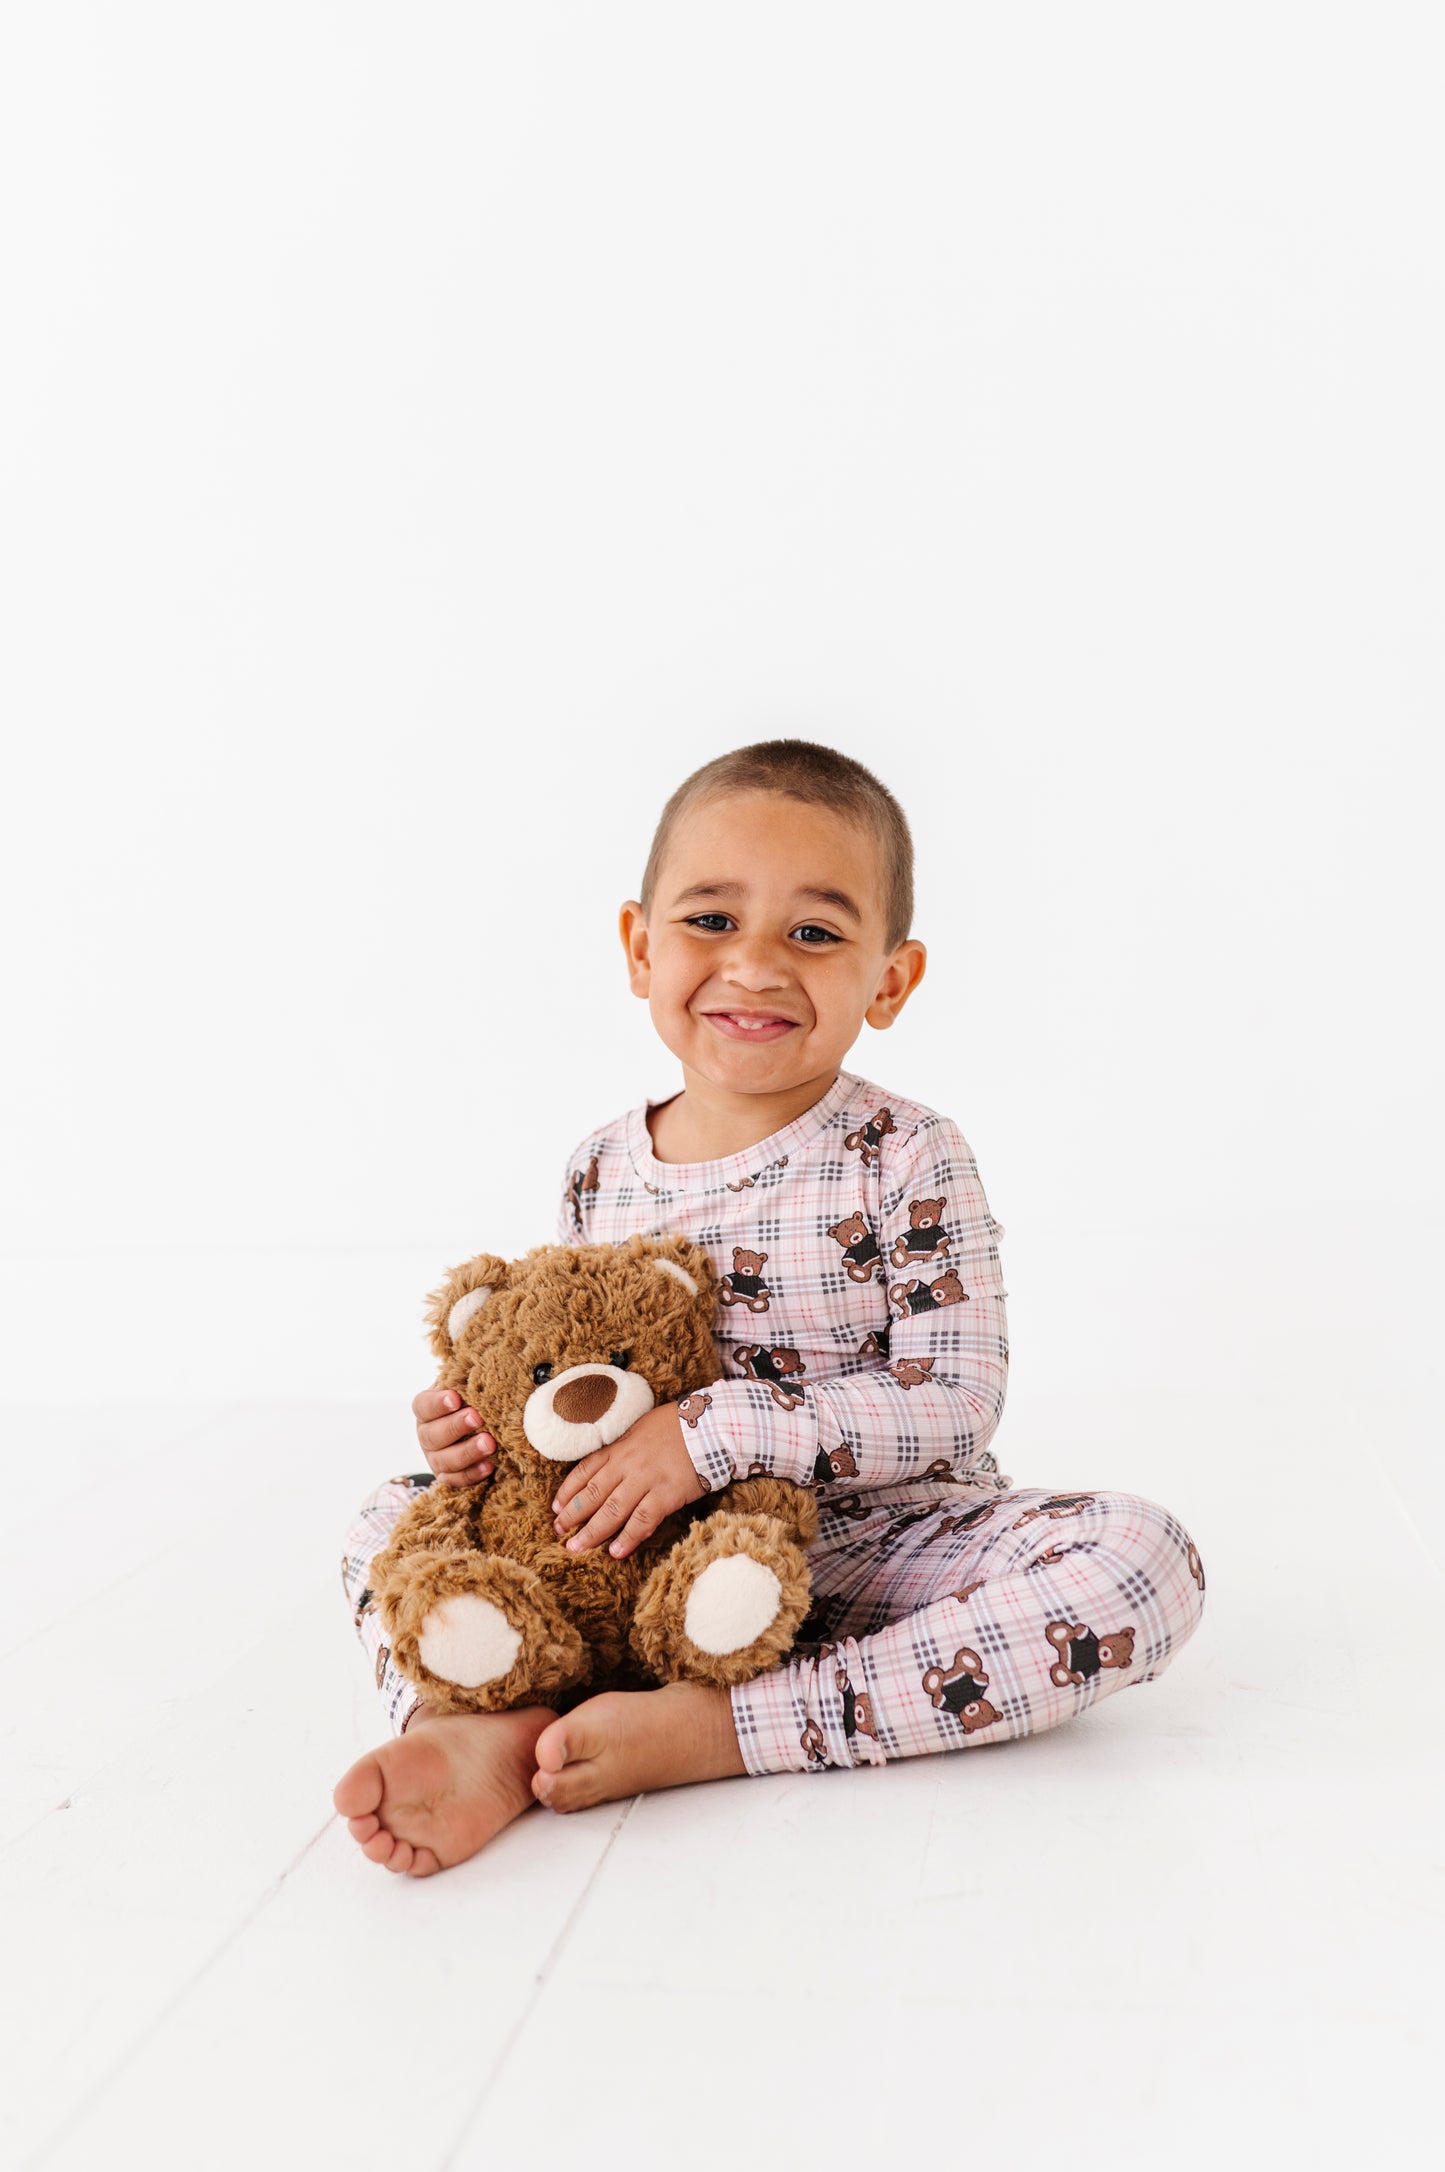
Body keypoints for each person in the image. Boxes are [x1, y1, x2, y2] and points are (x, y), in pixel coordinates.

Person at [333, 739, 1207, 1877]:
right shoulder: (598, 1168)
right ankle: (476, 1719)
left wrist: (716, 1433)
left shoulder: (905, 1153)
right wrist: (476, 1438)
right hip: (640, 1565)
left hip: (872, 1552)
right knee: (384, 1519)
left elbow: (956, 1400)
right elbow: (563, 1376)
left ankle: (728, 1726)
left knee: (1140, 1562)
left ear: (888, 980)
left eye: (813, 933)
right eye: (710, 921)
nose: (752, 966)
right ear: (639, 948)